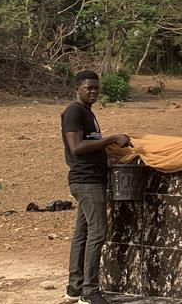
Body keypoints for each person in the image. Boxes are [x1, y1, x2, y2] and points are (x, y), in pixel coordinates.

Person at [61, 70, 131, 304]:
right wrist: (111, 139)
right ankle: (90, 291)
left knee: (82, 234)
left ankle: (74, 288)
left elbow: (89, 147)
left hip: (92, 178)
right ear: (77, 89)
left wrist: (108, 160)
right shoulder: (74, 111)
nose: (93, 91)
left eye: (96, 88)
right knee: (98, 233)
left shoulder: (88, 113)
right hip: (86, 181)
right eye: (88, 88)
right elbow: (77, 147)